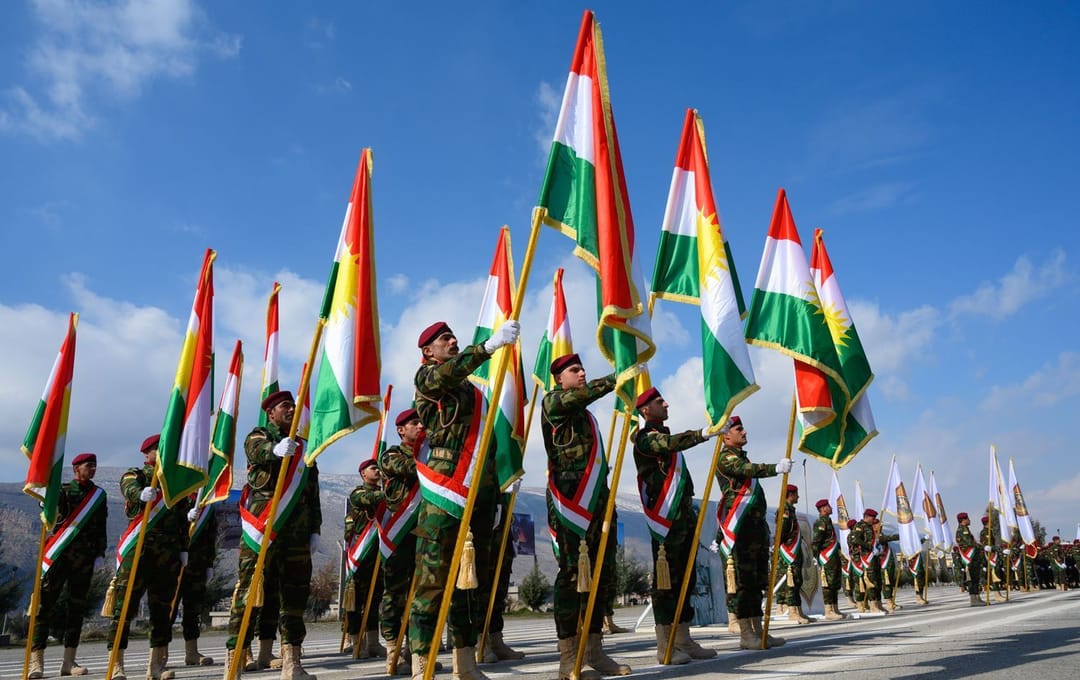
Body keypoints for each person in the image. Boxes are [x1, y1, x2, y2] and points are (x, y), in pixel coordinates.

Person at [410, 319, 518, 680]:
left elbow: (488, 445)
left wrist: (497, 495)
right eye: (445, 338)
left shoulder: (472, 391)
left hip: (479, 494)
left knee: (469, 583)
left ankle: (466, 663)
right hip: (446, 492)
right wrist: (487, 348)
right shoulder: (427, 378)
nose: (453, 340)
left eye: (453, 336)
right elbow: (446, 375)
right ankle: (421, 663)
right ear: (428, 351)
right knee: (432, 581)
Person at [542, 353, 630, 679]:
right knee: (571, 576)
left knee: (601, 575)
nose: (581, 373)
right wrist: (619, 375)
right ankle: (568, 658)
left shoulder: (586, 415)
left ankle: (594, 650)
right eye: (574, 370)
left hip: (597, 502)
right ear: (558, 378)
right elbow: (580, 396)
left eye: (582, 369)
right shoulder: (553, 402)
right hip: (570, 504)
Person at [225, 390, 321, 680]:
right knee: (249, 592)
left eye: (293, 405)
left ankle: (292, 662)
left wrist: (315, 529)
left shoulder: (304, 449)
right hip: (263, 530)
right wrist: (276, 449)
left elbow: (313, 494)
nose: (291, 410)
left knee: (294, 596)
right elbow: (255, 450)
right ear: (271, 413)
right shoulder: (258, 436)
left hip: (297, 533)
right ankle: (234, 659)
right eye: (285, 406)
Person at [632, 387, 717, 664]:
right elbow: (668, 445)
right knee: (666, 582)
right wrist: (702, 434)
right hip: (665, 519)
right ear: (645, 410)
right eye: (660, 402)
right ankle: (665, 644)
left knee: (685, 579)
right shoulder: (645, 439)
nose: (666, 404)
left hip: (682, 516)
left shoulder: (665, 437)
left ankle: (683, 638)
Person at [108, 435, 190, 680]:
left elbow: (181, 519)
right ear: (146, 454)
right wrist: (140, 494)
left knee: (162, 609)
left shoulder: (173, 482)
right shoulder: (136, 475)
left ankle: (156, 665)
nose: (163, 452)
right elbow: (129, 488)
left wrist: (184, 548)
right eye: (158, 449)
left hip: (168, 554)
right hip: (140, 551)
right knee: (125, 608)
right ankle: (116, 663)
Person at [714, 415, 792, 649]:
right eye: (739, 429)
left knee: (757, 581)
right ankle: (746, 633)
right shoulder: (726, 458)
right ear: (726, 436)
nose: (744, 432)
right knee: (744, 582)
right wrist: (775, 468)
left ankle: (759, 630)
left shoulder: (741, 456)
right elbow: (745, 470)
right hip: (741, 528)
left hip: (755, 529)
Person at [28, 452, 108, 679]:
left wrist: (100, 553)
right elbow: (53, 515)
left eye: (94, 465)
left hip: (84, 560)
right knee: (45, 607)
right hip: (59, 557)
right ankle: (36, 662)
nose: (92, 469)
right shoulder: (62, 490)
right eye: (88, 465)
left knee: (76, 610)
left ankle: (69, 662)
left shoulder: (98, 495)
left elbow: (101, 526)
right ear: (76, 469)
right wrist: (45, 499)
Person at [378, 408, 424, 676]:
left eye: (421, 422)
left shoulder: (428, 452)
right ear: (400, 430)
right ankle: (392, 651)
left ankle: (414, 651)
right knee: (395, 594)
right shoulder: (391, 455)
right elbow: (409, 468)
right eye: (414, 423)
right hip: (399, 535)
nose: (420, 426)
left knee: (421, 593)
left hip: (424, 531)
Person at [478, 486, 527, 663]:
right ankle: (480, 641)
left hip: (501, 523)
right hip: (481, 517)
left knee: (499, 584)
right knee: (480, 586)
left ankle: (495, 639)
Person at [344, 458, 386, 659]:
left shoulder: (381, 493)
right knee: (357, 602)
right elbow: (371, 498)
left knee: (374, 599)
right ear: (363, 474)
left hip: (377, 552)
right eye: (373, 468)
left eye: (378, 468)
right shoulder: (358, 493)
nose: (377, 471)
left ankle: (373, 643)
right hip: (360, 554)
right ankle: (356, 642)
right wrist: (390, 490)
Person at [172, 501, 218, 666]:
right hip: (173, 563)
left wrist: (209, 564)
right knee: (167, 609)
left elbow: (211, 537)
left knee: (193, 610)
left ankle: (192, 652)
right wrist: (185, 518)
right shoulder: (177, 497)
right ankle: (159, 654)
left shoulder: (206, 504)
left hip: (198, 564)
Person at [776, 485, 810, 624]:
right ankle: (792, 611)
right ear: (790, 495)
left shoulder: (790, 510)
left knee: (797, 581)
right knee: (791, 582)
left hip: (794, 550)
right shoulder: (784, 509)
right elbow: (782, 530)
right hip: (788, 551)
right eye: (796, 494)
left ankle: (798, 610)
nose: (798, 497)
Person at [811, 498, 846, 620]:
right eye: (828, 506)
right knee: (828, 584)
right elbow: (816, 541)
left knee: (834, 583)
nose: (830, 507)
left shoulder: (828, 521)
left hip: (833, 557)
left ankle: (835, 608)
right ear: (823, 509)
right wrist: (815, 556)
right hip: (826, 557)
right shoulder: (821, 522)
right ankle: (828, 610)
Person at [849, 509, 888, 614]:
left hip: (874, 556)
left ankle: (879, 604)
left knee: (878, 581)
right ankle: (873, 605)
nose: (874, 519)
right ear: (867, 516)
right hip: (867, 557)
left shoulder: (870, 527)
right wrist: (868, 546)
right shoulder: (860, 526)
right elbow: (855, 539)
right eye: (873, 517)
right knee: (871, 581)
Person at [955, 512, 984, 605]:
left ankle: (977, 597)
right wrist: (981, 546)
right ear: (963, 520)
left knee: (975, 578)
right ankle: (973, 599)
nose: (969, 520)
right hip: (970, 558)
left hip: (973, 558)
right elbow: (969, 543)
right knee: (972, 579)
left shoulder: (965, 529)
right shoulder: (962, 530)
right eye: (968, 519)